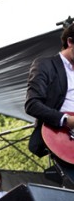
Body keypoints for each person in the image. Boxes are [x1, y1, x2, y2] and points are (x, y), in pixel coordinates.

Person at [25, 23, 74, 162]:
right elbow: (32, 104)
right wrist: (66, 120)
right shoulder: (45, 65)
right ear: (70, 42)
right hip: (61, 138)